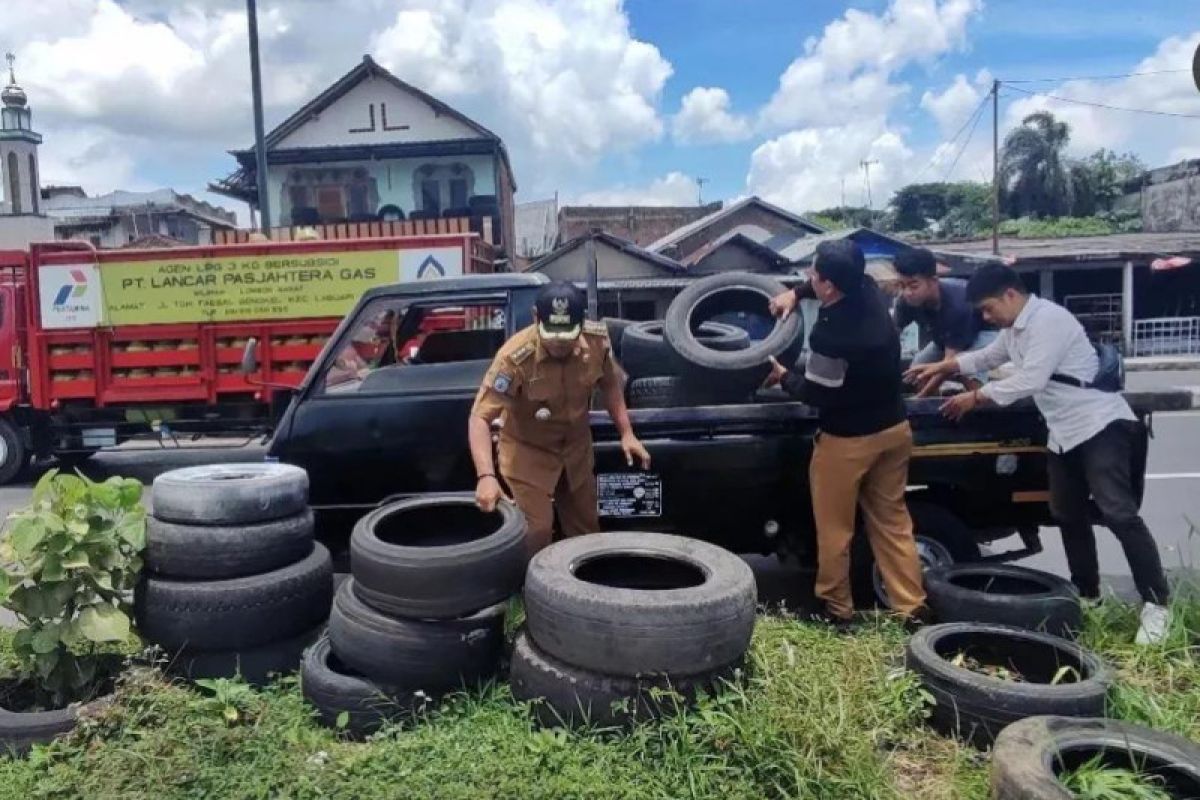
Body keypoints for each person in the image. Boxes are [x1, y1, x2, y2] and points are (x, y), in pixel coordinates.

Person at [905, 264, 1171, 645]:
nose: (985, 317)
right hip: (1062, 434)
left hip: (1099, 425)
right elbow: (986, 358)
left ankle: (1156, 603)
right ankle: (1088, 594)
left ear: (1010, 296)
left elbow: (1032, 379)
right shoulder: (1014, 330)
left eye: (987, 308)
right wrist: (947, 365)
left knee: (1119, 514)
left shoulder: (1050, 321)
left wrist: (975, 396)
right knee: (1066, 514)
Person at [766, 240, 927, 628]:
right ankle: (911, 608)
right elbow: (827, 284)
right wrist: (796, 293)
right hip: (894, 429)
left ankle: (836, 610)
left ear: (830, 286)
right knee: (893, 523)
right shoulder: (867, 291)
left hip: (848, 442)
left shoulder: (831, 337)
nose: (809, 277)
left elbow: (818, 395)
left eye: (813, 275)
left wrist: (784, 376)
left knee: (836, 529)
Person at [469, 281, 651, 554]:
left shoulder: (596, 342)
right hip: (528, 453)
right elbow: (480, 418)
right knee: (537, 530)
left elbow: (611, 383)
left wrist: (626, 432)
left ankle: (580, 590)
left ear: (581, 323)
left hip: (575, 451)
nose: (559, 342)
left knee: (586, 531)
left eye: (567, 335)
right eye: (552, 334)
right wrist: (486, 476)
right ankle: (527, 589)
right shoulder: (514, 358)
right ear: (535, 318)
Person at [893, 247, 996, 397]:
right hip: (944, 339)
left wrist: (920, 398)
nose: (907, 292)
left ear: (933, 281)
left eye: (913, 286)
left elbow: (948, 363)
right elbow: (891, 335)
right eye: (902, 286)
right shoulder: (904, 301)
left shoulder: (958, 305)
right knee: (917, 372)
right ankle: (935, 412)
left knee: (966, 372)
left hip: (983, 333)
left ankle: (980, 409)